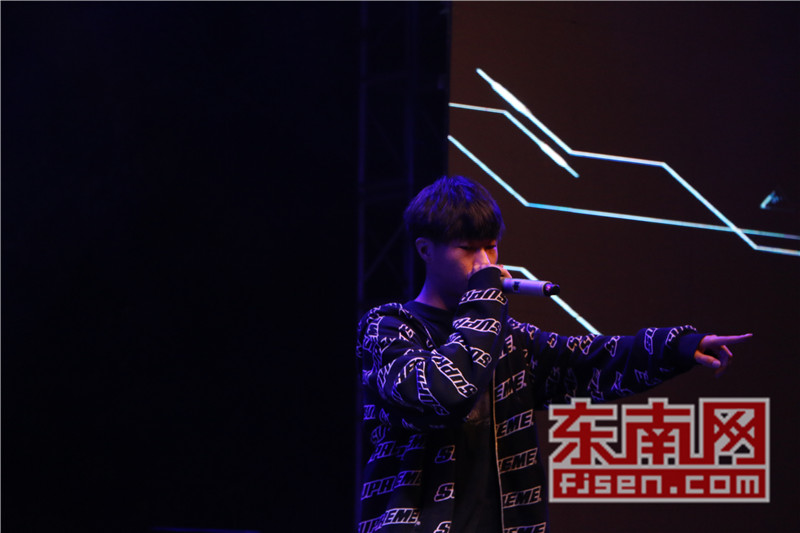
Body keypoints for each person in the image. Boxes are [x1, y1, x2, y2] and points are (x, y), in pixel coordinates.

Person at [355, 176, 751, 533]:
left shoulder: (509, 340)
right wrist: (484, 299)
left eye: (491, 247)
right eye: (468, 250)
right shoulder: (388, 329)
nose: (485, 264)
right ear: (425, 250)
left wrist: (677, 346)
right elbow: (446, 392)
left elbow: (588, 360)